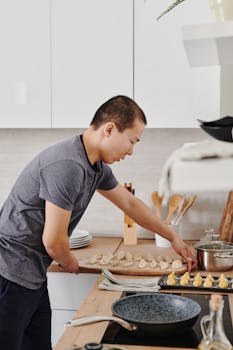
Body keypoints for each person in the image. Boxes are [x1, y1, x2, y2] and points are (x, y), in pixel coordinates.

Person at [0, 95, 197, 350]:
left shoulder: (94, 165)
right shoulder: (68, 165)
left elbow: (130, 204)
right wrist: (68, 260)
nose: (131, 151)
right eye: (132, 141)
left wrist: (173, 237)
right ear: (110, 129)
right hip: (9, 274)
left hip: (31, 276)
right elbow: (53, 241)